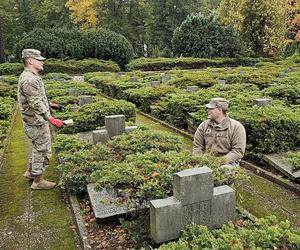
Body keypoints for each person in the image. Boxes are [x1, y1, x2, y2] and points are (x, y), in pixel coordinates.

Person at [18, 49, 64, 190]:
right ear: (30, 61)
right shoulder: (30, 79)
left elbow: (36, 98)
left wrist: (51, 105)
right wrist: (50, 118)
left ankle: (30, 172)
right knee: (43, 149)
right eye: (39, 59)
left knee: (38, 147)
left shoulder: (30, 76)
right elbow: (35, 103)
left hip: (34, 119)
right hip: (36, 121)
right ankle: (38, 181)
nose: (42, 61)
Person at [193, 97, 246, 167]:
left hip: (228, 163)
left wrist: (220, 161)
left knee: (224, 170)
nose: (208, 111)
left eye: (211, 109)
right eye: (208, 108)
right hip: (207, 160)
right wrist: (200, 160)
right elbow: (197, 146)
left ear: (220, 110)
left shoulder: (236, 127)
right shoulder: (204, 125)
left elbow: (237, 151)